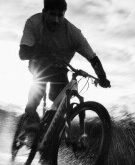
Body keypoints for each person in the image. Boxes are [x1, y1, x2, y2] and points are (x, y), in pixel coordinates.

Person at [19, 0, 111, 131]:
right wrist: (41, 51)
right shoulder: (33, 23)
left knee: (61, 99)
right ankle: (30, 114)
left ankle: (50, 133)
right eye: (52, 14)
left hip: (59, 69)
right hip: (38, 62)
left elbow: (93, 58)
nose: (56, 20)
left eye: (60, 15)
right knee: (41, 80)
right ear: (44, 12)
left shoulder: (73, 33)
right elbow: (23, 53)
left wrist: (102, 77)